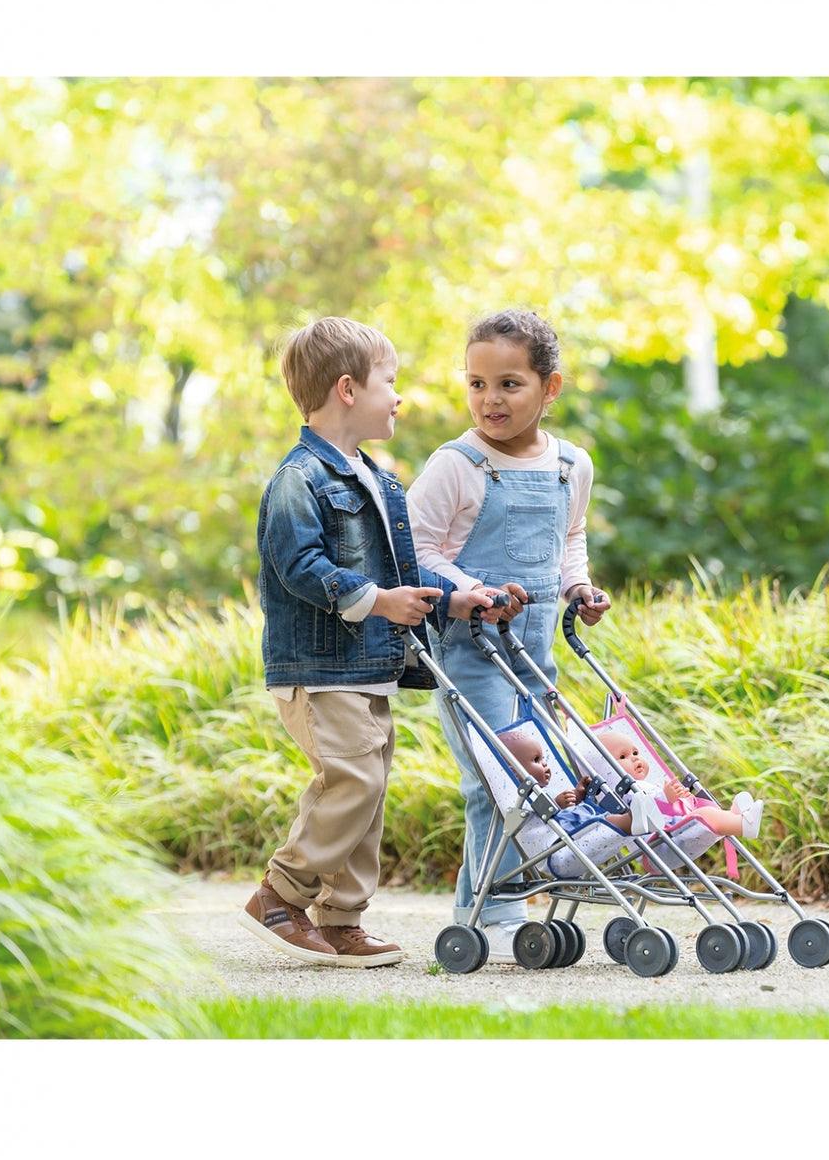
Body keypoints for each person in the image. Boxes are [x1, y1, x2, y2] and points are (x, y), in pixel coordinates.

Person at [241, 316, 496, 968]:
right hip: (320, 667)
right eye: (391, 382)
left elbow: (401, 575)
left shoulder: (377, 481)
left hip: (369, 665)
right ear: (348, 389)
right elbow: (300, 568)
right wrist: (377, 602)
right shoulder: (298, 480)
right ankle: (280, 894)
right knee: (350, 779)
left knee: (369, 789)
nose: (400, 396)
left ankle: (341, 919)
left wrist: (451, 600)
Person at [407, 307, 611, 962]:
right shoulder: (456, 465)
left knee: (545, 778)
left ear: (550, 388)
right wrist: (463, 590)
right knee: (497, 779)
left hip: (534, 652)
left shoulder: (570, 465)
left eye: (508, 384)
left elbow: (568, 539)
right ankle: (492, 912)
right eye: (476, 383)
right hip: (469, 651)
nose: (489, 399)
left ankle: (496, 909)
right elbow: (411, 552)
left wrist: (578, 587)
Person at [502, 729, 762, 840]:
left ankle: (736, 818)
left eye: (636, 752)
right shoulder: (520, 798)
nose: (546, 765)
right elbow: (542, 816)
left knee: (705, 812)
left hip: (667, 824)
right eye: (623, 758)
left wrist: (578, 794)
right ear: (514, 770)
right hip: (653, 830)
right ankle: (740, 823)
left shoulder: (644, 785)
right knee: (704, 815)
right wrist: (667, 799)